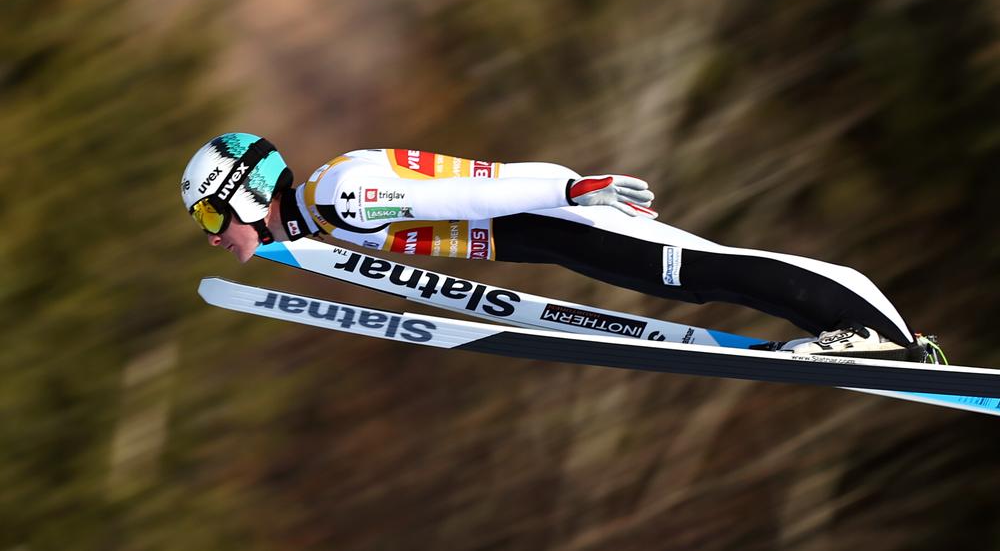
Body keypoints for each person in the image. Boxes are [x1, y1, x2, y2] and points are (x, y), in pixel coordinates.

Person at [181, 132, 928, 361]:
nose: (215, 237)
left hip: (554, 217)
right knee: (691, 280)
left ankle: (877, 329)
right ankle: (856, 335)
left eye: (213, 219)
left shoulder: (339, 195)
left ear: (245, 193)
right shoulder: (319, 218)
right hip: (546, 234)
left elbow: (479, 191)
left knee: (692, 270)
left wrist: (572, 191)